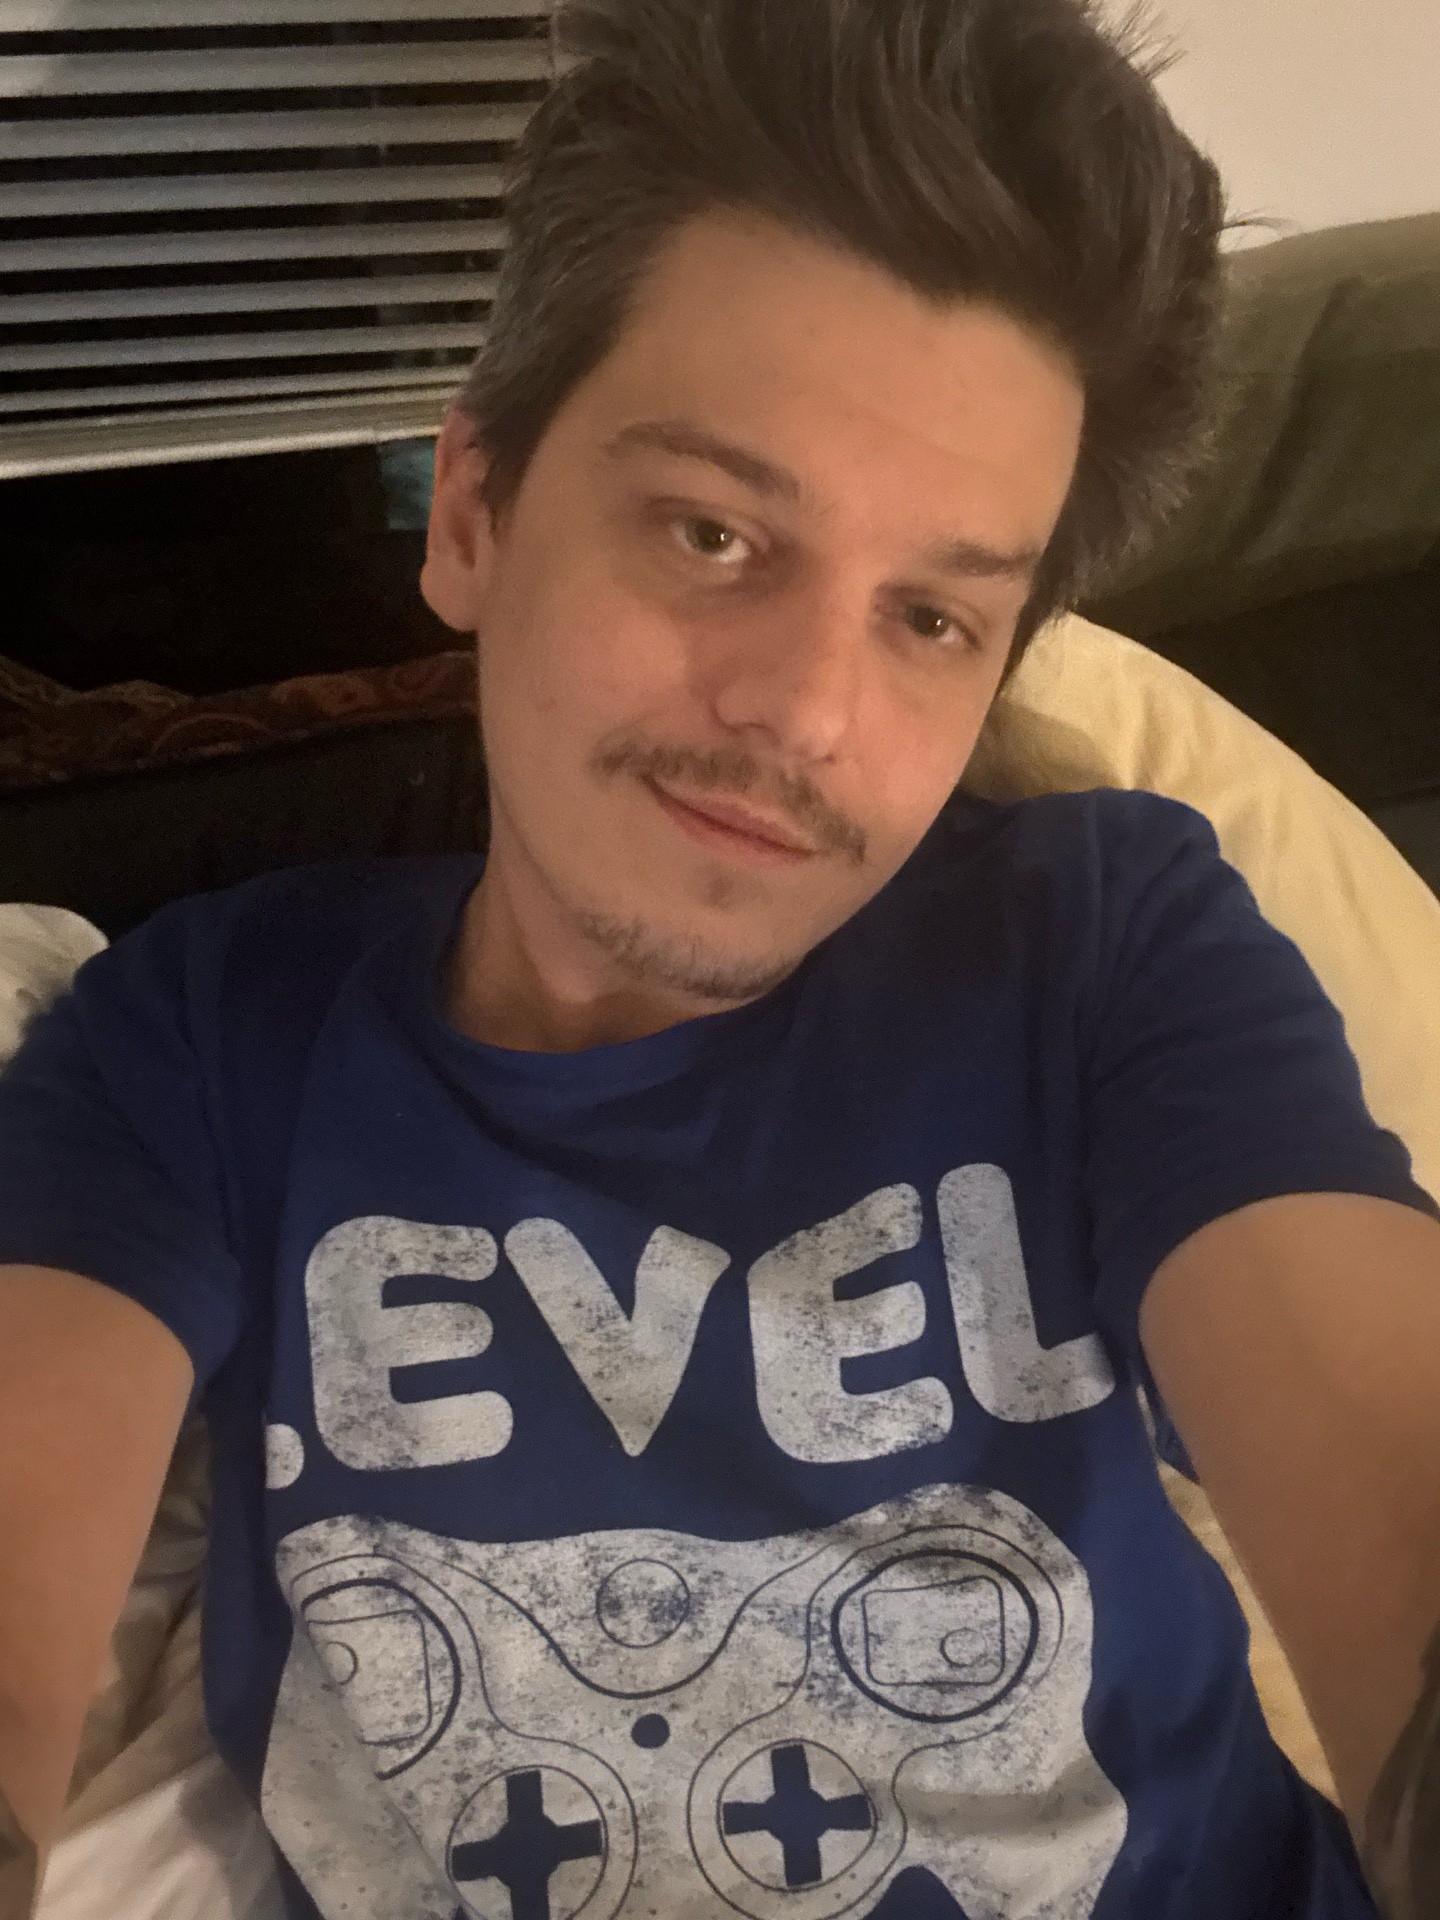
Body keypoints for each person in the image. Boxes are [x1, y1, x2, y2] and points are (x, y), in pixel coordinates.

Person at [1, 0, 1438, 1914]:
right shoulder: (200, 1036)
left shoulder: (1102, 946)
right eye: (711, 532)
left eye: (932, 618)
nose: (808, 714)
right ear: (477, 512)